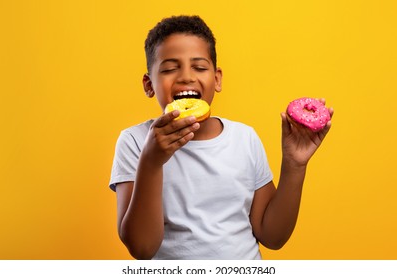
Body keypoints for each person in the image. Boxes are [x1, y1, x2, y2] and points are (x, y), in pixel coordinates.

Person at [109, 15, 333, 260]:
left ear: (216, 79)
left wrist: (294, 165)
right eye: (171, 68)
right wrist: (151, 161)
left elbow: (272, 236)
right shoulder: (134, 142)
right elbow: (142, 248)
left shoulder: (244, 138)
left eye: (200, 67)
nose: (186, 76)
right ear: (148, 84)